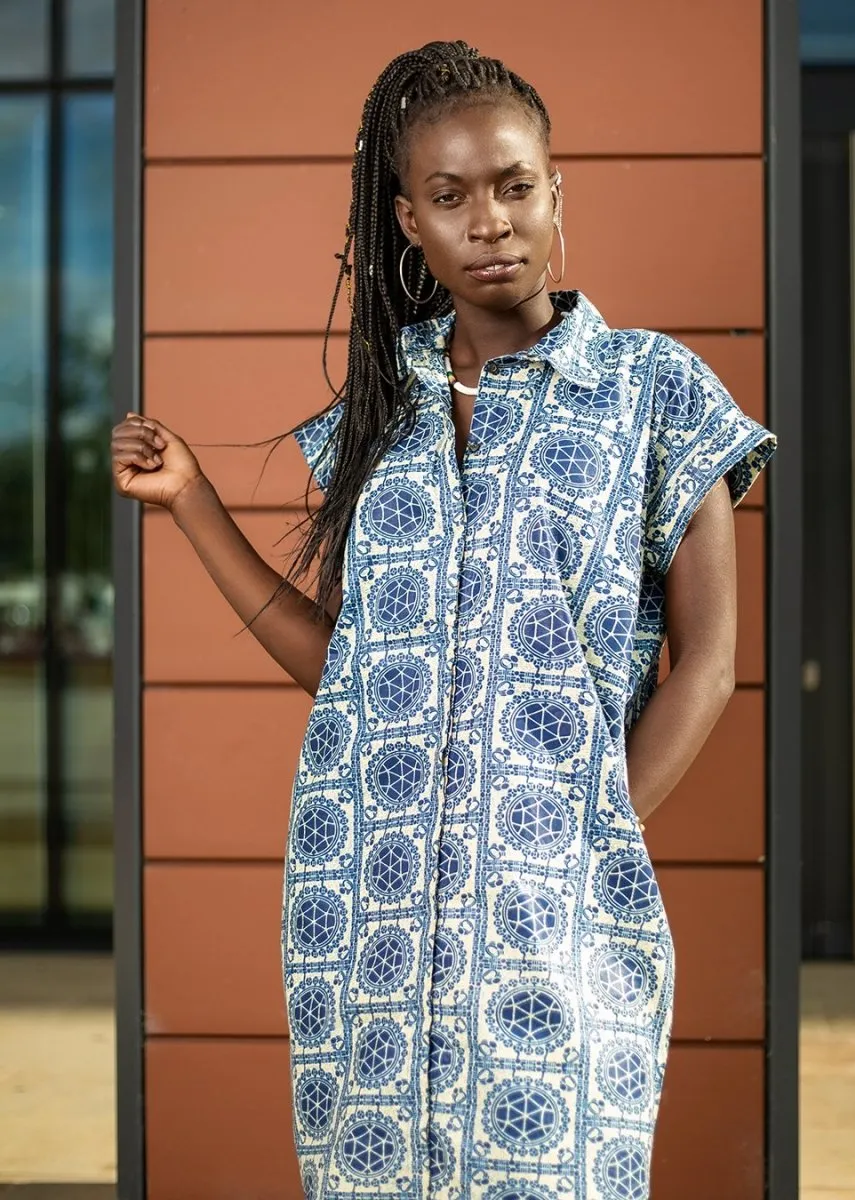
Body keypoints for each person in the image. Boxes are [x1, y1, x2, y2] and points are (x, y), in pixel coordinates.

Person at [111, 40, 776, 1200]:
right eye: (452, 196)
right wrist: (194, 505)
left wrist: (588, 835)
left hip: (553, 910)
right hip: (361, 908)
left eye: (517, 186)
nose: (492, 223)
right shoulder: (382, 416)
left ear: (558, 193)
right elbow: (349, 671)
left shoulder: (655, 392)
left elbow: (708, 666)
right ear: (408, 222)